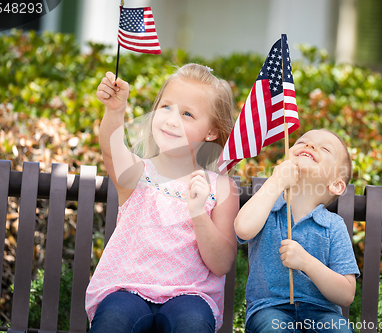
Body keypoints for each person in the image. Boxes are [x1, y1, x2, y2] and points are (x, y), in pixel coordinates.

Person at [86, 64, 239, 333]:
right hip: (127, 288)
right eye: (166, 107)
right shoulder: (138, 172)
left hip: (190, 295)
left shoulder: (221, 188)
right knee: (113, 320)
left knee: (192, 324)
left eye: (187, 114)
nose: (171, 119)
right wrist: (115, 110)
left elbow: (221, 263)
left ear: (212, 132)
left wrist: (198, 211)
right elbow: (111, 149)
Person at [234, 129, 360, 333]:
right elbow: (243, 229)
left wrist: (307, 262)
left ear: (336, 185)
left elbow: (346, 295)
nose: (309, 146)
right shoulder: (267, 208)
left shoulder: (333, 226)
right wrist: (276, 181)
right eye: (302, 142)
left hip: (323, 313)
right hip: (269, 309)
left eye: (324, 148)